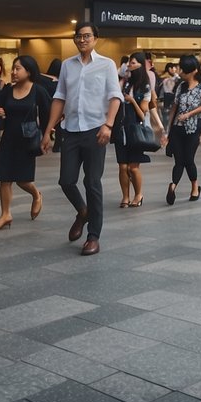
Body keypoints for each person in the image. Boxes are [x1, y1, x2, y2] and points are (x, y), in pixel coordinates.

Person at [43, 22, 121, 257]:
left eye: (87, 36)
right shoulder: (67, 65)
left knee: (92, 183)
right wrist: (48, 130)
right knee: (66, 180)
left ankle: (93, 236)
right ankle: (83, 211)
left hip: (96, 129)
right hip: (71, 129)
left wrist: (108, 124)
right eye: (79, 36)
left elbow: (115, 96)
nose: (83, 40)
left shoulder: (107, 65)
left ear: (95, 39)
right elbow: (60, 97)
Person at [0, 56, 50, 230]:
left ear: (28, 71)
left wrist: (47, 137)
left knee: (23, 180)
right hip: (8, 139)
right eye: (13, 68)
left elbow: (47, 117)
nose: (13, 72)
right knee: (4, 178)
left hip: (27, 141)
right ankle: (5, 214)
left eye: (18, 68)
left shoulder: (38, 91)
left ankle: (36, 194)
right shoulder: (6, 91)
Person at [163, 55, 201, 205]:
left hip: (195, 126)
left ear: (193, 70)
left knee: (188, 158)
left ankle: (194, 187)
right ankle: (173, 186)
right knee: (179, 160)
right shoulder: (181, 86)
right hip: (178, 128)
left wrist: (190, 114)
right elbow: (174, 108)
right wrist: (167, 130)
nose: (180, 71)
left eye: (183, 69)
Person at [117, 52, 153, 208]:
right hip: (122, 128)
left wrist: (131, 100)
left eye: (132, 63)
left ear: (140, 65)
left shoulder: (145, 87)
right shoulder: (125, 83)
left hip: (136, 129)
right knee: (122, 166)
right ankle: (125, 196)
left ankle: (138, 194)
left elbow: (142, 113)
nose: (129, 66)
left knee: (133, 167)